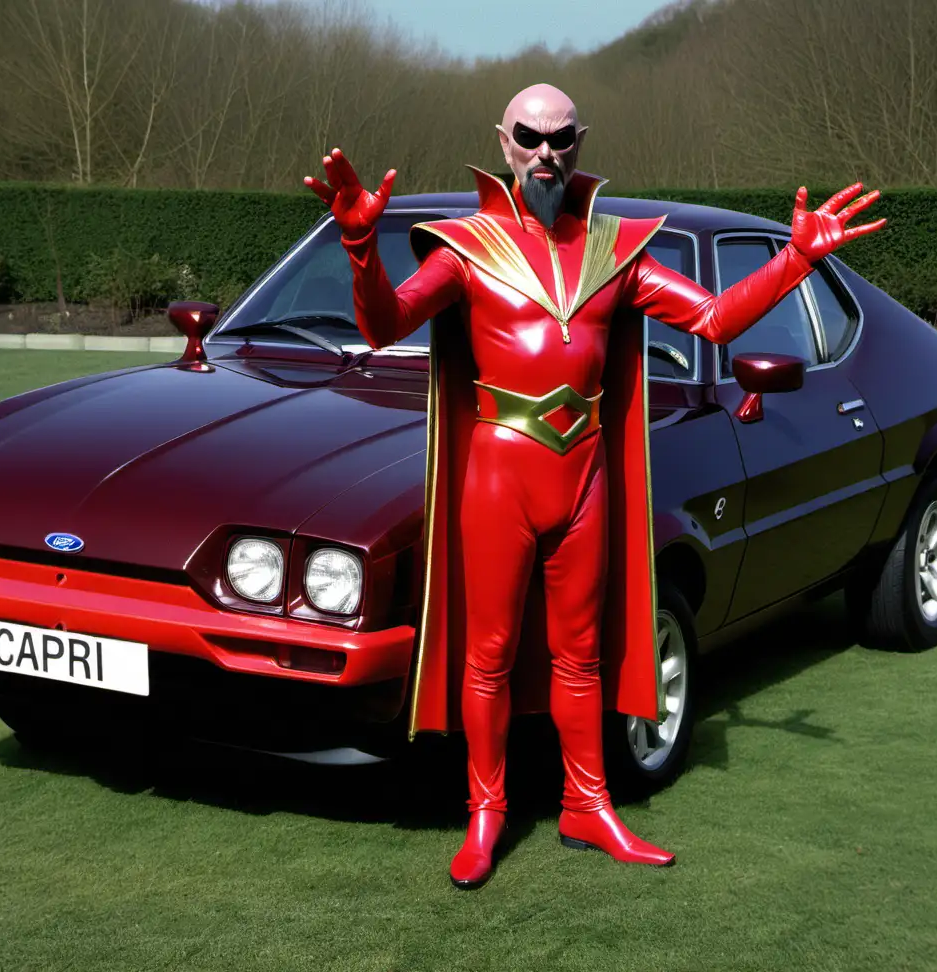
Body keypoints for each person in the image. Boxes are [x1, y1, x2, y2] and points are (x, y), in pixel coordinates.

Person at [304, 83, 885, 890]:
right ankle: (486, 811)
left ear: (581, 142)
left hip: (584, 472)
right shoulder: (467, 248)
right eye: (530, 137)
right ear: (502, 143)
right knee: (490, 655)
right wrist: (362, 248)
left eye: (561, 137)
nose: (546, 152)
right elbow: (383, 326)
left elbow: (714, 320)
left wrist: (795, 259)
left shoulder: (618, 251)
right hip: (499, 468)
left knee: (582, 656)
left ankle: (587, 803)